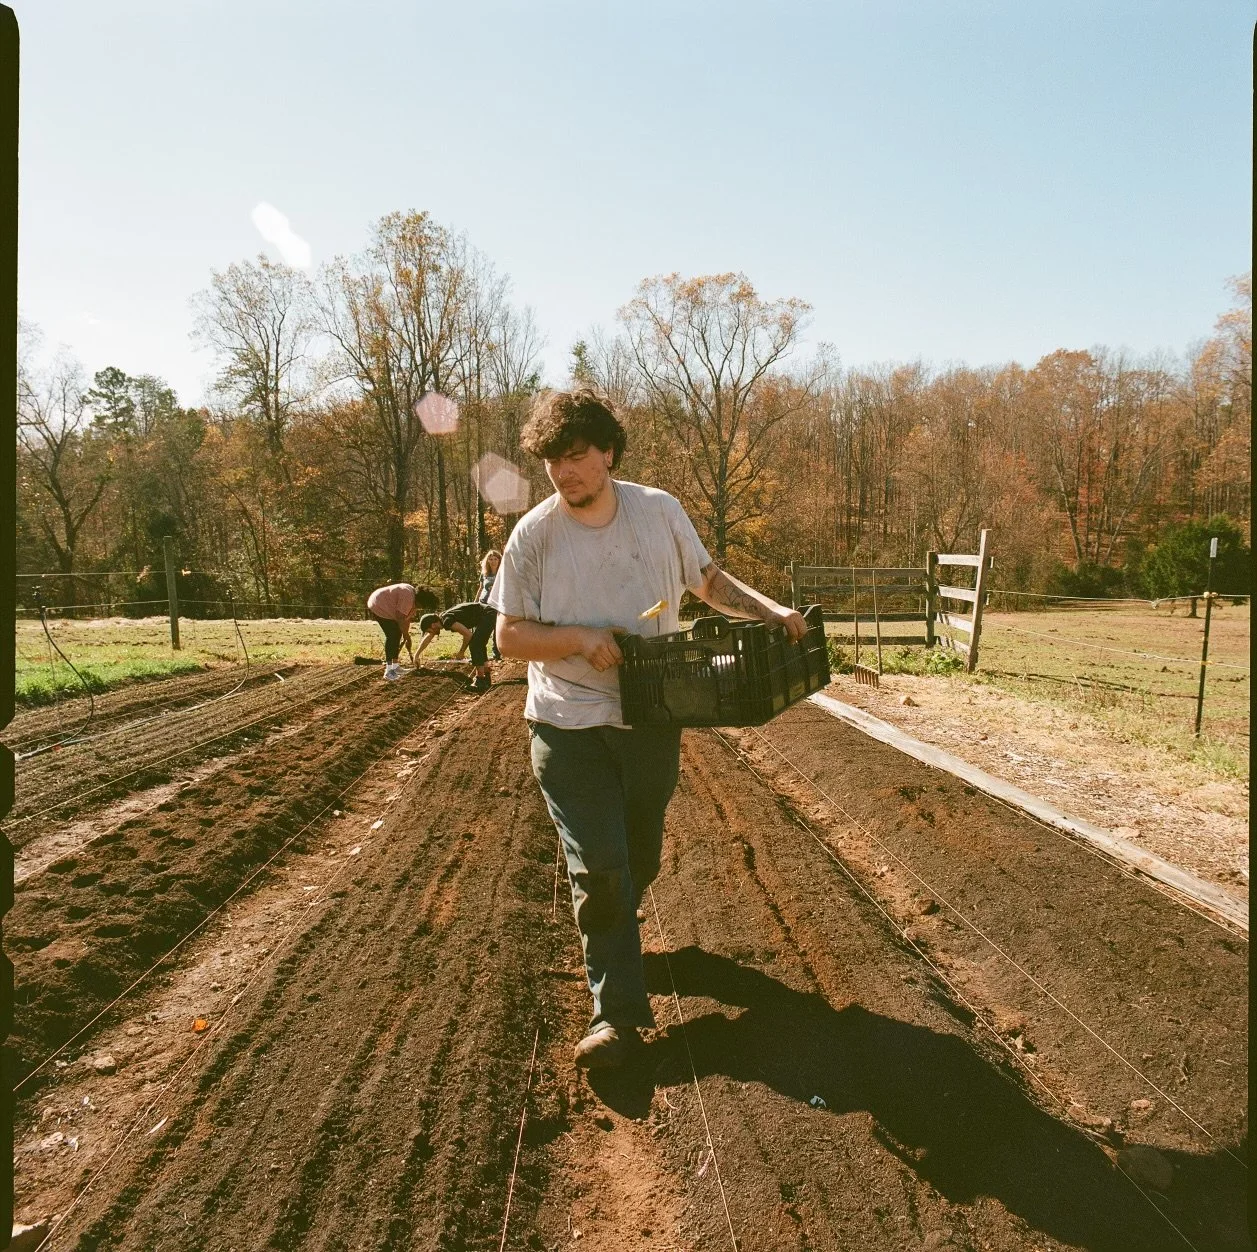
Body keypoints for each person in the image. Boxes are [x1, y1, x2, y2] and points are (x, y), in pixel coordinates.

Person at [488, 389, 806, 1070]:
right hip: (565, 724)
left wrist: (769, 611)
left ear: (607, 452)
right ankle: (616, 1019)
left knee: (639, 857)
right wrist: (575, 637)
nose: (562, 472)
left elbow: (708, 581)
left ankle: (618, 939)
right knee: (599, 868)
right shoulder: (534, 536)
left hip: (649, 718)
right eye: (552, 460)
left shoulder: (656, 512)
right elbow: (508, 635)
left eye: (575, 456)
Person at [414, 601, 497, 692]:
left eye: (429, 630)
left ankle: (480, 679)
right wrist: (416, 655)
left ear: (433, 625)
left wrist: (461, 652)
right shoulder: (443, 619)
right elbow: (428, 639)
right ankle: (486, 676)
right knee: (479, 643)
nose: (430, 633)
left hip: (488, 613)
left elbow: (468, 635)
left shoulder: (447, 621)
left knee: (475, 644)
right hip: (488, 613)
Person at [366, 581, 437, 680]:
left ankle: (395, 667)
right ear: (419, 600)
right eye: (421, 606)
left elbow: (406, 619)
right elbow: (400, 618)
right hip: (379, 604)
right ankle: (388, 671)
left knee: (397, 633)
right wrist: (407, 636)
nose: (420, 608)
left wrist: (406, 636)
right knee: (392, 635)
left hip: (387, 605)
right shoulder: (407, 597)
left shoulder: (413, 600)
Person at [478, 550, 503, 659]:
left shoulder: (502, 573)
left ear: (499, 560)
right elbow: (480, 588)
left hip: (496, 605)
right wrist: (475, 602)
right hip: (483, 603)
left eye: (495, 559)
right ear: (487, 561)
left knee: (496, 628)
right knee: (481, 628)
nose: (493, 561)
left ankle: (496, 653)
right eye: (491, 559)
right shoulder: (484, 573)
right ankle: (480, 653)